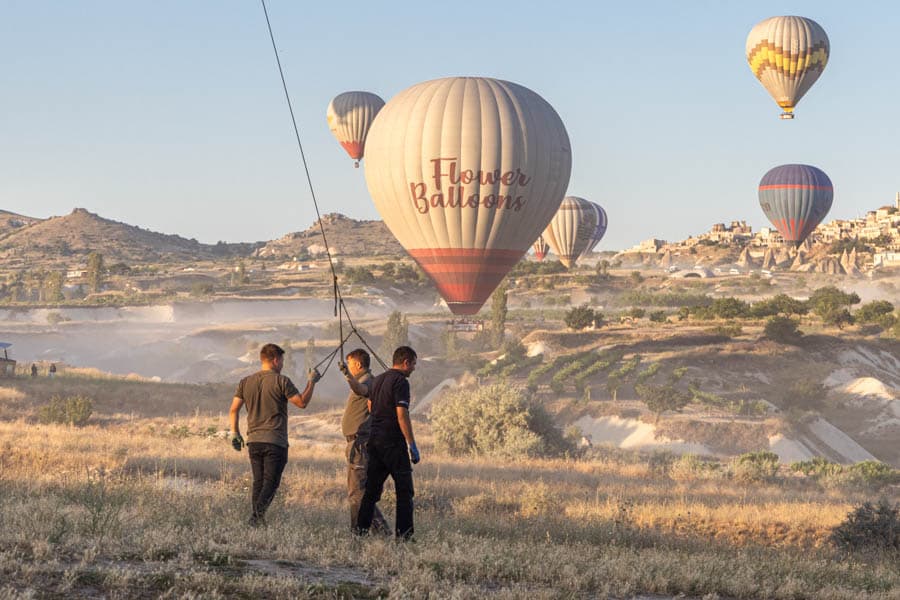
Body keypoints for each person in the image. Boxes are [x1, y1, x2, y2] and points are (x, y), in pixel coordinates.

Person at [229, 343, 321, 527]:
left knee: (259, 482)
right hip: (275, 441)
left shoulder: (245, 382)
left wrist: (235, 433)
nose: (282, 365)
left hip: (253, 441)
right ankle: (255, 519)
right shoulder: (282, 381)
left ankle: (258, 521)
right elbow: (301, 403)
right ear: (276, 360)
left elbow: (233, 410)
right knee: (271, 484)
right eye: (282, 361)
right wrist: (312, 381)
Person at [355, 346, 419, 540]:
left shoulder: (378, 380)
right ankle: (404, 537)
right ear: (406, 362)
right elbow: (402, 414)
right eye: (413, 364)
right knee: (405, 491)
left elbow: (370, 406)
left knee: (371, 492)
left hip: (375, 441)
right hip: (393, 443)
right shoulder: (401, 382)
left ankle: (360, 532)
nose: (414, 369)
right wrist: (412, 445)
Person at [337, 349, 389, 533]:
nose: (349, 368)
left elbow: (359, 390)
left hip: (360, 443)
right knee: (360, 492)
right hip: (357, 442)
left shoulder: (366, 381)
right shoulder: (365, 380)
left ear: (358, 365)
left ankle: (361, 532)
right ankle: (375, 531)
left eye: (350, 364)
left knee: (357, 493)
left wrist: (346, 375)